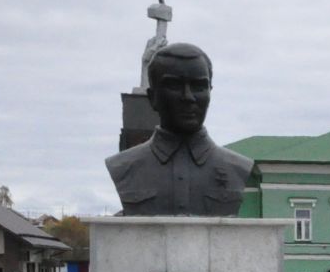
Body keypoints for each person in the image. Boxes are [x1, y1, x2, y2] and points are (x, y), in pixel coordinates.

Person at [106, 43, 255, 216]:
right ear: (153, 97)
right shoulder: (123, 167)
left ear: (210, 92)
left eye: (199, 86)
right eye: (175, 86)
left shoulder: (238, 168)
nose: (188, 97)